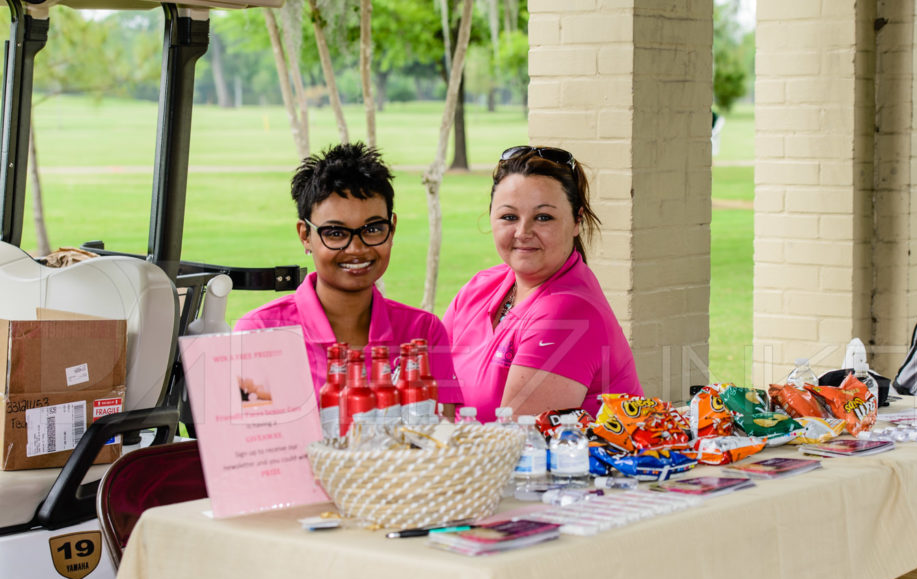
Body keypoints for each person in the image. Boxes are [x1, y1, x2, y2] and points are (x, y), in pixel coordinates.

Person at [235, 142, 461, 415]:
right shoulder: (260, 331)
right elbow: (254, 448)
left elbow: (441, 441)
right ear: (305, 235)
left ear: (392, 229)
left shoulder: (423, 333)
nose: (357, 249)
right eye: (335, 233)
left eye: (373, 228)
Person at [443, 145, 642, 421]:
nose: (523, 232)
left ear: (577, 221)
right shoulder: (480, 287)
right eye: (509, 217)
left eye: (543, 217)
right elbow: (425, 389)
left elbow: (513, 442)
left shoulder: (569, 309)